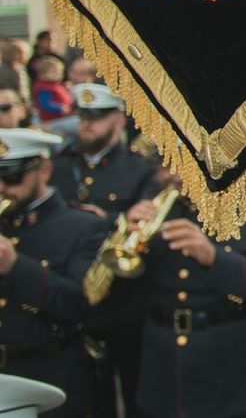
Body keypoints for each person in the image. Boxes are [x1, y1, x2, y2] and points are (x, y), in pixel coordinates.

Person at [104, 165, 246, 418]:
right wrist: (124, 235)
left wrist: (213, 258)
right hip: (165, 376)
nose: (171, 172)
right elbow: (115, 299)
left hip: (238, 379)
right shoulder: (156, 204)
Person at [49, 84, 161, 418]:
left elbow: (147, 224)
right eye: (83, 116)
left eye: (97, 117)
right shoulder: (56, 166)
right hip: (73, 304)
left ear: (118, 119)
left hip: (124, 304)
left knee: (136, 392)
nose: (87, 124)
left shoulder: (140, 170)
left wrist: (110, 219)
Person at [0, 128, 106, 418]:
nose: (2, 187)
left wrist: (14, 266)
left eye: (11, 177)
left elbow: (79, 305)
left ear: (44, 170)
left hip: (48, 376)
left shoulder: (83, 226)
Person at [30, 56, 72, 125]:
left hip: (61, 116)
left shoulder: (55, 85)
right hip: (51, 119)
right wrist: (59, 108)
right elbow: (44, 103)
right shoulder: (44, 88)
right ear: (42, 74)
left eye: (60, 72)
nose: (58, 75)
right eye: (54, 72)